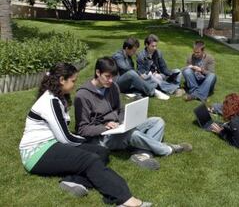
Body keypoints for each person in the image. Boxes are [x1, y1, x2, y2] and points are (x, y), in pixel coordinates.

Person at [19, 63, 151, 206]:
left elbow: (64, 136)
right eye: (73, 81)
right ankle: (125, 200)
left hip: (52, 144)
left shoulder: (57, 97)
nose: (75, 85)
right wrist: (87, 139)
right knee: (90, 160)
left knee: (102, 152)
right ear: (62, 80)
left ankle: (72, 181)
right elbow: (66, 138)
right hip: (36, 153)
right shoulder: (50, 101)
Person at [75, 57, 192, 170]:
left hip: (117, 128)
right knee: (133, 134)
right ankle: (168, 149)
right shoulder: (83, 95)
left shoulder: (113, 87)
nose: (111, 80)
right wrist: (104, 127)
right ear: (97, 72)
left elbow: (119, 110)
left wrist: (123, 121)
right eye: (107, 77)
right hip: (101, 137)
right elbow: (82, 129)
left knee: (157, 122)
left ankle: (142, 154)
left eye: (113, 77)